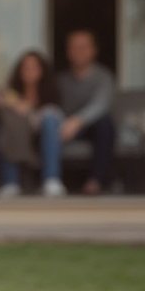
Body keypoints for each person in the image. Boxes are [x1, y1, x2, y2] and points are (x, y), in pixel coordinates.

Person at [0, 50, 66, 198]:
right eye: (26, 67)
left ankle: (51, 179)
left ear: (42, 70)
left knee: (49, 118)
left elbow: (56, 116)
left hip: (44, 136)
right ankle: (11, 182)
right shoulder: (12, 94)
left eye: (34, 67)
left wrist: (30, 112)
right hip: (18, 136)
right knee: (10, 122)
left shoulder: (52, 93)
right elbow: (0, 102)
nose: (30, 71)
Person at [58, 30, 116, 195]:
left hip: (91, 127)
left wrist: (77, 121)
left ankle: (95, 181)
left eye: (83, 47)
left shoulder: (104, 77)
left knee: (105, 124)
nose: (79, 51)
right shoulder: (61, 80)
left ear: (93, 50)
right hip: (64, 127)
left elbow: (101, 105)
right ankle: (51, 181)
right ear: (68, 52)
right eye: (74, 47)